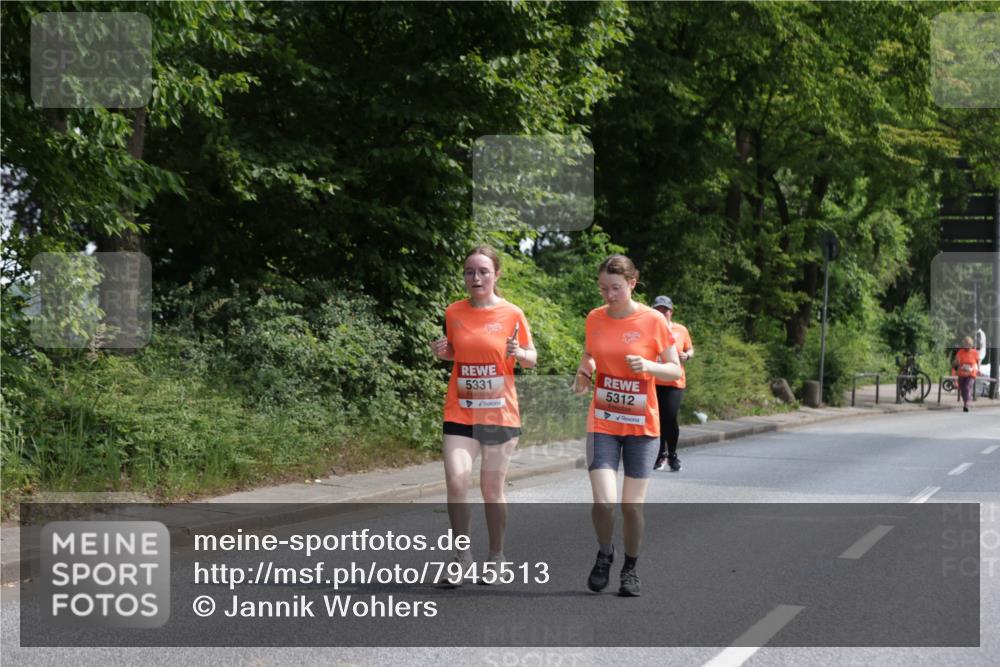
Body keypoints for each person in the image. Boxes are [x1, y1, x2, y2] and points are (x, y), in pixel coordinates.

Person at [572, 255, 682, 597]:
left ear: (632, 283)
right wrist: (584, 374)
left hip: (642, 425)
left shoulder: (652, 320)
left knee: (631, 507)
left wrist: (649, 365)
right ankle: (605, 553)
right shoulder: (595, 318)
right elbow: (589, 354)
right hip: (603, 420)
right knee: (603, 502)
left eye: (616, 288)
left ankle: (630, 568)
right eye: (603, 288)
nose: (609, 295)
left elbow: (675, 370)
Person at [430, 245, 536, 585]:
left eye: (483, 272)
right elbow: (456, 352)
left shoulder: (512, 313)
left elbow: (531, 358)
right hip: (460, 410)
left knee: (491, 489)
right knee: (457, 481)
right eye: (469, 272)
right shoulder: (454, 312)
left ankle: (496, 556)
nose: (475, 278)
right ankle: (461, 557)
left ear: (496, 275)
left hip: (499, 414)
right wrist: (444, 353)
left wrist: (519, 352)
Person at [650, 296, 694, 472]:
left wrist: (688, 355)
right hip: (652, 380)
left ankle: (673, 454)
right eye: (658, 310)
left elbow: (690, 348)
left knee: (670, 418)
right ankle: (660, 454)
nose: (662, 313)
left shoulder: (680, 330)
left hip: (674, 382)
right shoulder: (648, 329)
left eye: (665, 310)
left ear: (670, 312)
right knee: (656, 420)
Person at [953, 336, 980, 413]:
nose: (966, 346)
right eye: (965, 344)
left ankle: (966, 404)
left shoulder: (974, 352)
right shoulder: (960, 352)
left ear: (970, 344)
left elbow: (978, 362)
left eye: (967, 344)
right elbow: (956, 362)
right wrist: (954, 371)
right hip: (962, 373)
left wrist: (979, 369)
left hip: (971, 373)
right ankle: (966, 402)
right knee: (962, 389)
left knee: (967, 387)